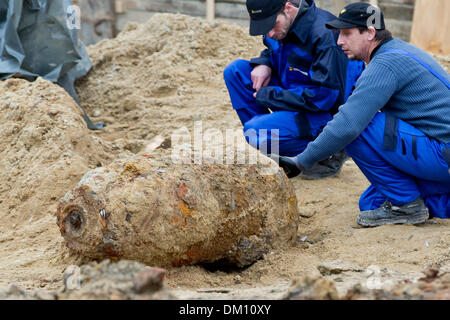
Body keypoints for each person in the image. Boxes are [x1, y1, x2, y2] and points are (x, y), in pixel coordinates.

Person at [275, 2, 450, 226]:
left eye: (347, 34)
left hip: (441, 153)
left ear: (369, 33)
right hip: (438, 150)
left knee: (360, 127)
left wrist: (301, 161)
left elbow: (349, 124)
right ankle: (416, 202)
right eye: (339, 34)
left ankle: (408, 207)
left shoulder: (386, 63)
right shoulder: (396, 51)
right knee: (372, 203)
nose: (339, 41)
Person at [223, 0, 364, 179]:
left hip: (327, 112)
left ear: (288, 8)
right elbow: (272, 50)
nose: (270, 33)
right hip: (294, 93)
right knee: (235, 72)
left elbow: (325, 98)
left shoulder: (324, 36)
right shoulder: (277, 27)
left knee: (256, 132)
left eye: (272, 25)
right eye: (264, 27)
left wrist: (270, 96)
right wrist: (264, 63)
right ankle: (272, 145)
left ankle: (329, 151)